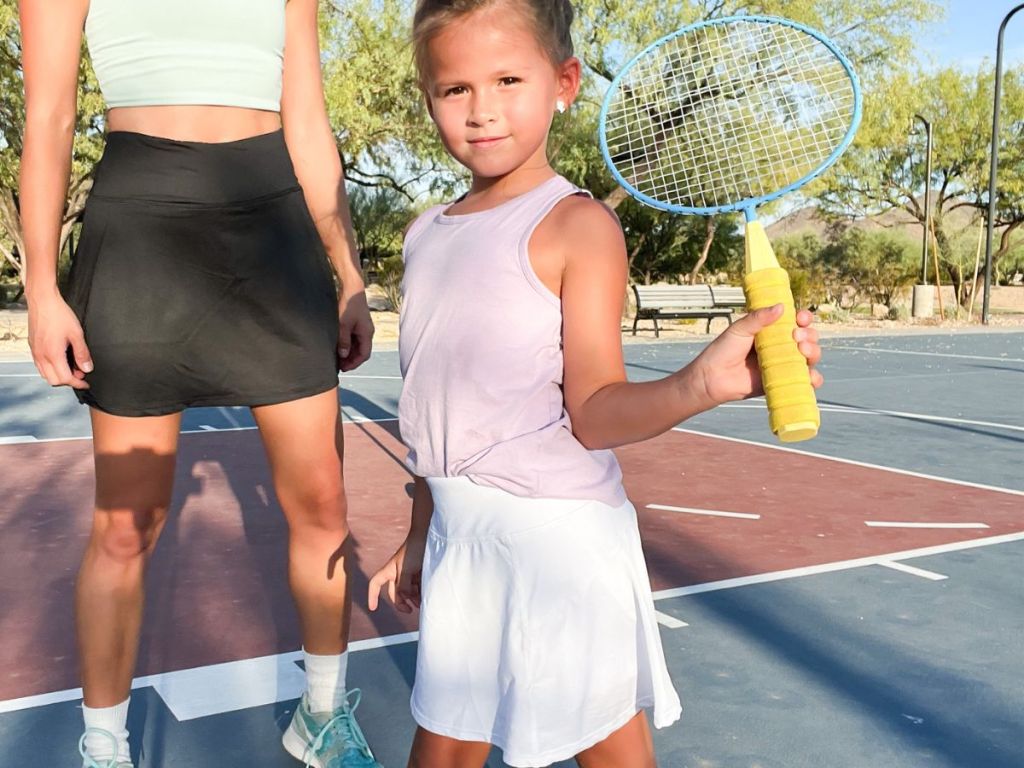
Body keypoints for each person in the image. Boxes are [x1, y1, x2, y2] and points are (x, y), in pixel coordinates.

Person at [367, 0, 824, 766]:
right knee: (444, 747)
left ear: (565, 82)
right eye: (456, 89)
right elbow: (438, 411)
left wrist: (700, 382)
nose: (482, 111)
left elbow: (597, 412)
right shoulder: (425, 233)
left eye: (509, 79)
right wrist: (420, 534)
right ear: (429, 98)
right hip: (460, 537)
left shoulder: (577, 226)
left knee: (606, 748)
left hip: (557, 544)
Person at [18, 1, 381, 765]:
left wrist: (348, 274)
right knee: (125, 525)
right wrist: (43, 290)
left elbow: (308, 123)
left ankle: (320, 714)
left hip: (273, 230)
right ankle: (105, 747)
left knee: (323, 501)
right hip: (141, 228)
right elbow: (47, 122)